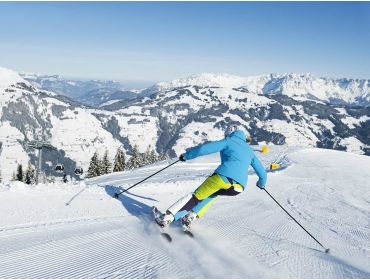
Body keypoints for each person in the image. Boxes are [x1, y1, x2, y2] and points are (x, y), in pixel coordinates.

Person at [154, 125, 267, 230]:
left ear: (229, 134)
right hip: (238, 188)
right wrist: (261, 184)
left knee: (195, 197)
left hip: (222, 177)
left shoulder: (229, 141)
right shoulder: (249, 150)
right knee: (212, 193)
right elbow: (262, 173)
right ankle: (189, 217)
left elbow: (204, 149)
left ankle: (166, 218)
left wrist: (187, 156)